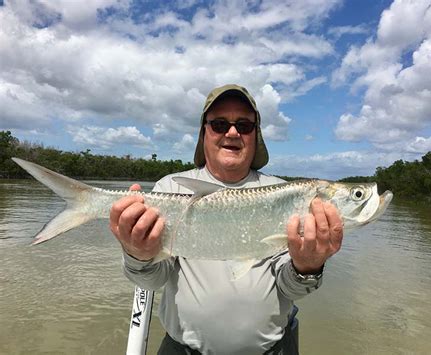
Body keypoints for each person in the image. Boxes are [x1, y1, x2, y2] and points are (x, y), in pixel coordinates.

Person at [109, 84, 343, 355]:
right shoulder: (170, 189)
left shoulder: (286, 194)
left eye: (244, 125)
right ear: (204, 132)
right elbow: (151, 281)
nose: (232, 132)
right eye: (220, 124)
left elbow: (292, 289)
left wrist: (308, 267)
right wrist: (138, 255)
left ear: (257, 135)